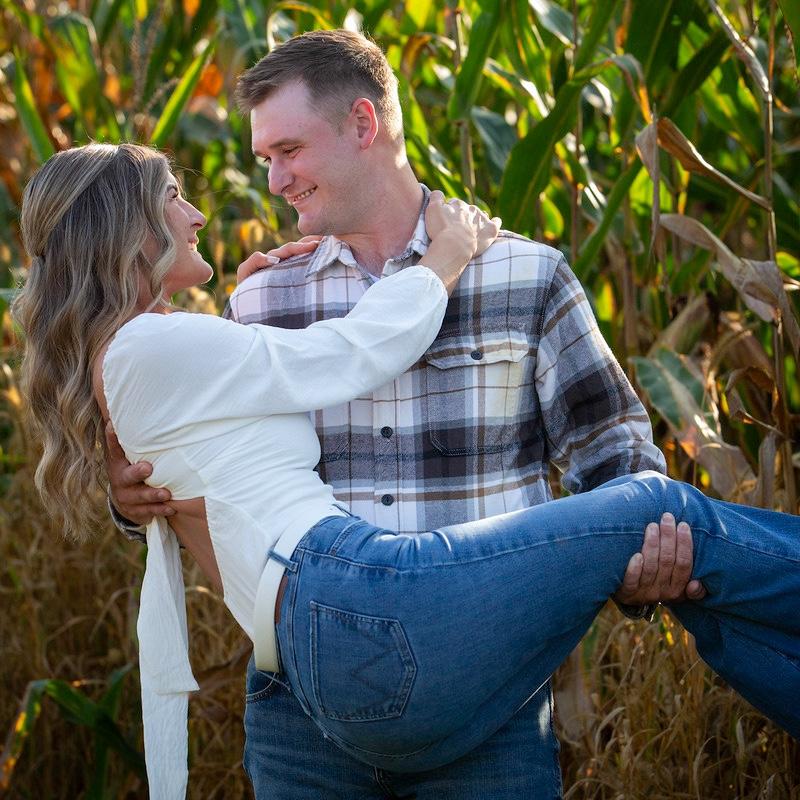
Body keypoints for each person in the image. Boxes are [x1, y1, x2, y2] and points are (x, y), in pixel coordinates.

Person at [14, 143, 800, 800]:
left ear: (363, 126)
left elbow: (208, 456)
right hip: (351, 595)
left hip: (330, 628)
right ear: (126, 226)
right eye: (174, 197)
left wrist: (243, 309)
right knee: (657, 507)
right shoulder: (158, 345)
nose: (196, 214)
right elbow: (353, 351)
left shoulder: (154, 344)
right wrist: (449, 252)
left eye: (288, 150)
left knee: (675, 543)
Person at [103, 30, 709, 800]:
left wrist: (649, 554)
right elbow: (209, 471)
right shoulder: (262, 299)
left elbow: (613, 454)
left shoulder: (525, 275)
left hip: (487, 700)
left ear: (363, 124)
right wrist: (134, 499)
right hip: (303, 709)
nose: (275, 180)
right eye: (265, 159)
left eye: (289, 150)